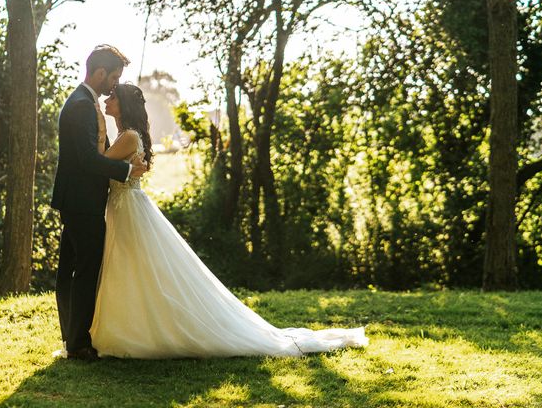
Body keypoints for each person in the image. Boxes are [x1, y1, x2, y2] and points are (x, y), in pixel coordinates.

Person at [89, 83, 368, 359]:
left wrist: (99, 129)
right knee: (131, 269)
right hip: (124, 206)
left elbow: (97, 163)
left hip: (128, 209)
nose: (107, 98)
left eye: (112, 96)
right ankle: (134, 326)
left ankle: (139, 331)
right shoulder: (125, 135)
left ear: (123, 104)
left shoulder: (127, 136)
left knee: (133, 268)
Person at [51, 46, 148, 361]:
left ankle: (72, 337)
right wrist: (127, 170)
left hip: (79, 199)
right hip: (82, 201)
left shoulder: (85, 102)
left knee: (70, 269)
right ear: (101, 72)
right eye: (114, 77)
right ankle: (78, 343)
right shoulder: (81, 105)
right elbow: (87, 160)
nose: (114, 84)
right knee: (85, 269)